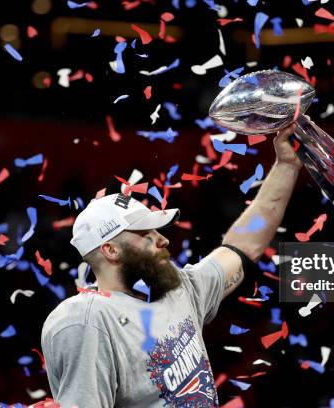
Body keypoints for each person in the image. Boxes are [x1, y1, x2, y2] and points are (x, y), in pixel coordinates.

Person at [41, 123, 301, 407]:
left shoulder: (176, 288)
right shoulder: (87, 320)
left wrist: (286, 165)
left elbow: (243, 246)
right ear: (111, 250)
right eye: (145, 234)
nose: (163, 239)